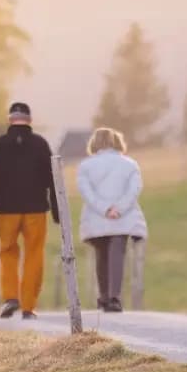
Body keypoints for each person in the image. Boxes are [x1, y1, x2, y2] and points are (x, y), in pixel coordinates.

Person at [0, 101, 59, 320]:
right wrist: (57, 211)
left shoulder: (0, 144)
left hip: (8, 210)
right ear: (30, 120)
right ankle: (28, 307)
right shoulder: (41, 144)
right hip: (35, 209)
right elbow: (53, 180)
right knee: (34, 254)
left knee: (7, 252)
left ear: (10, 119)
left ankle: (10, 297)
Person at [76, 127, 147, 312]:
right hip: (122, 219)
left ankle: (104, 297)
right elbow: (134, 190)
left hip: (97, 217)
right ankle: (114, 297)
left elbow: (86, 192)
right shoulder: (130, 164)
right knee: (117, 255)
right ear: (117, 142)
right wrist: (118, 209)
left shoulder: (86, 166)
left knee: (101, 256)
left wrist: (104, 208)